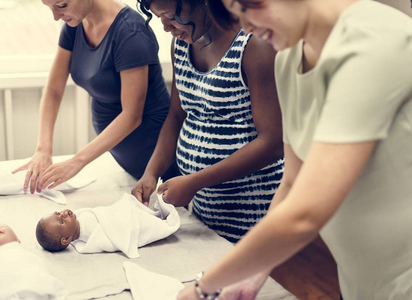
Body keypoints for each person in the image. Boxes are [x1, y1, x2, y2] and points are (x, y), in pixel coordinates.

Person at [176, 0, 412, 299]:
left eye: (247, 8)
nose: (245, 27)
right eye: (237, 16)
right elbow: (290, 184)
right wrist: (254, 272)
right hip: (361, 276)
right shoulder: (288, 58)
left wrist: (202, 287)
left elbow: (306, 212)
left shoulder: (373, 40)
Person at [132, 0, 284, 244]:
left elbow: (273, 142)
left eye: (170, 16)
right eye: (158, 17)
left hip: (253, 208)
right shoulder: (181, 43)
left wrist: (196, 181)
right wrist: (151, 173)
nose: (166, 27)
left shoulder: (254, 44)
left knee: (249, 276)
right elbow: (176, 116)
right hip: (206, 207)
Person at [14, 0, 179, 194]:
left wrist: (76, 162)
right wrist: (43, 150)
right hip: (124, 158)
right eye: (50, 8)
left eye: (61, 5)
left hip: (154, 154)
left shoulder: (130, 32)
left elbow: (132, 116)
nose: (55, 16)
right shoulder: (75, 24)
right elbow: (54, 90)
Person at [36, 193, 180, 258]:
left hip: (121, 214)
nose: (63, 214)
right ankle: (164, 219)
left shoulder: (80, 218)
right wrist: (125, 216)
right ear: (66, 239)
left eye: (57, 213)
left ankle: (155, 214)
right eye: (61, 222)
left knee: (144, 213)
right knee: (148, 223)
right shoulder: (89, 235)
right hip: (127, 223)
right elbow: (112, 231)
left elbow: (106, 212)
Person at [0, 224, 67, 300]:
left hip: (39, 285)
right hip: (7, 291)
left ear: (18, 241)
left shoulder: (24, 253)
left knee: (50, 285)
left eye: (4, 227)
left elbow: (37, 265)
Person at [0, 159, 96, 204]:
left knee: (35, 173)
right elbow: (9, 185)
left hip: (31, 172)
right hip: (30, 181)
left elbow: (10, 171)